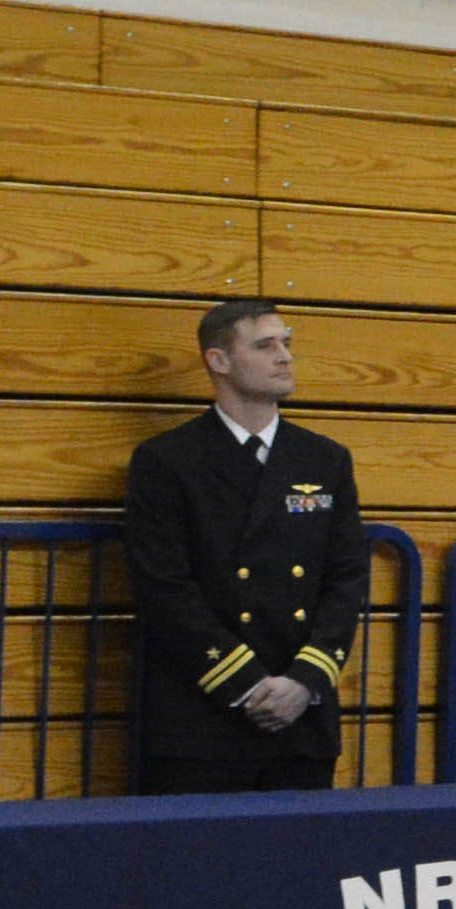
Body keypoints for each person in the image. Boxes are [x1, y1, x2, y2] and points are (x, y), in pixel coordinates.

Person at [120, 301, 369, 792]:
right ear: (218, 361)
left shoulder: (324, 458)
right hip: (201, 713)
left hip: (302, 713)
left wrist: (304, 680)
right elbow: (164, 586)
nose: (284, 357)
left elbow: (347, 578)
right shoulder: (167, 460)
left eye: (287, 343)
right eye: (265, 345)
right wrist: (245, 684)